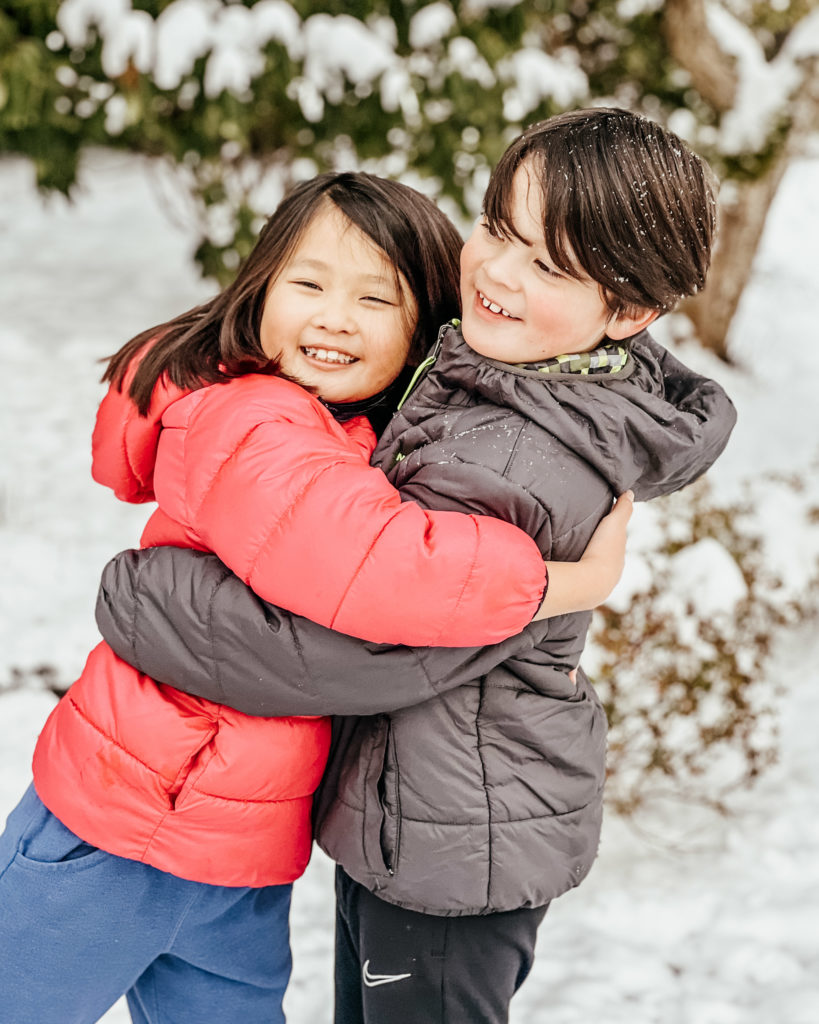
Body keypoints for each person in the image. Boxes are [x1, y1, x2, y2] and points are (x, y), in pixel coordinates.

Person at [96, 108, 737, 1024]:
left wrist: (146, 596)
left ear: (629, 311)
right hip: (421, 812)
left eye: (548, 265)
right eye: (497, 231)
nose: (497, 275)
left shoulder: (520, 457)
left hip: (454, 844)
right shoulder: (515, 374)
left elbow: (356, 647)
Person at [0, 171, 629, 1024]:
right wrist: (571, 582)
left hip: (232, 855)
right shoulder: (254, 423)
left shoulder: (334, 432)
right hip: (124, 824)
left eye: (377, 298)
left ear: (418, 332)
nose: (335, 315)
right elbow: (381, 567)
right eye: (308, 284)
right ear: (259, 290)